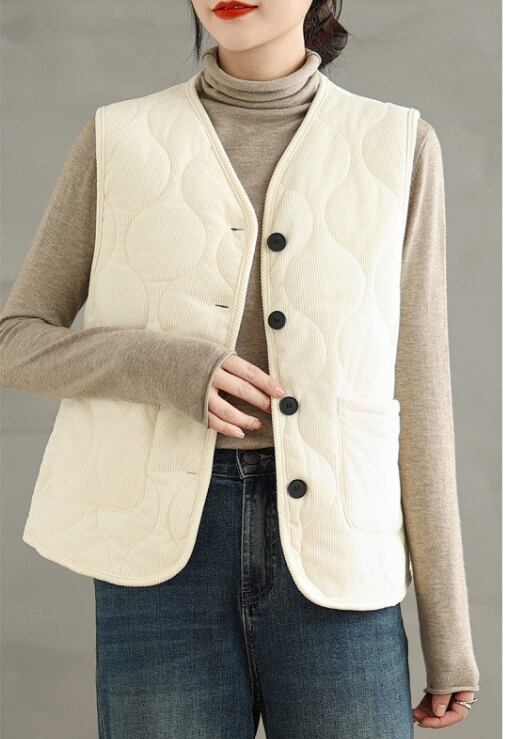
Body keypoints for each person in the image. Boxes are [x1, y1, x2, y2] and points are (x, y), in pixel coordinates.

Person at [0, 0, 480, 736]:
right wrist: (163, 364)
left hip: (340, 553)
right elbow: (15, 339)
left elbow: (419, 388)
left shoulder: (397, 145)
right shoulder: (119, 137)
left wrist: (448, 633)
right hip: (160, 557)